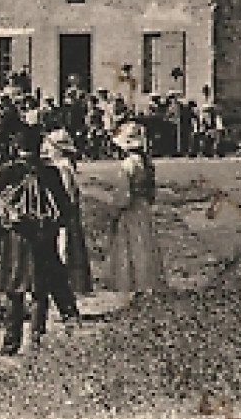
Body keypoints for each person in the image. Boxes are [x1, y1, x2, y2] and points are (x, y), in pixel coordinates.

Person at [0, 126, 77, 355]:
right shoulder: (50, 172)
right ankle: (36, 341)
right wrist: (56, 228)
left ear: (16, 146)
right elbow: (65, 208)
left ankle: (10, 343)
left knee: (14, 290)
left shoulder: (6, 172)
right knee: (40, 290)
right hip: (43, 236)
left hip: (15, 237)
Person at [105, 118, 164, 298]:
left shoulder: (128, 164)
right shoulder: (145, 163)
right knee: (144, 244)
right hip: (143, 207)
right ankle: (146, 284)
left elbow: (123, 193)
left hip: (131, 209)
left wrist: (115, 210)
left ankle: (136, 284)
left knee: (132, 246)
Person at [42, 125, 92, 305]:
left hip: (65, 216)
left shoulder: (63, 168)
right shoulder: (64, 166)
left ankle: (69, 287)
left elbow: (67, 195)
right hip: (69, 214)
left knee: (65, 248)